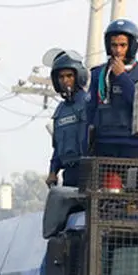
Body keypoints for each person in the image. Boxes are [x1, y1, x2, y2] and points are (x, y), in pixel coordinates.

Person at [88, 19, 138, 160]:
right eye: (114, 45)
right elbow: (90, 110)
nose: (118, 50)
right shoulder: (98, 73)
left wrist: (121, 76)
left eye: (123, 45)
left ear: (131, 46)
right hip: (103, 143)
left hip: (132, 143)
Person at [46, 50, 92, 189]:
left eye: (69, 76)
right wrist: (53, 171)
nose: (65, 80)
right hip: (69, 174)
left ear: (79, 76)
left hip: (89, 172)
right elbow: (58, 146)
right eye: (61, 77)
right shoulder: (60, 110)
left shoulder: (89, 103)